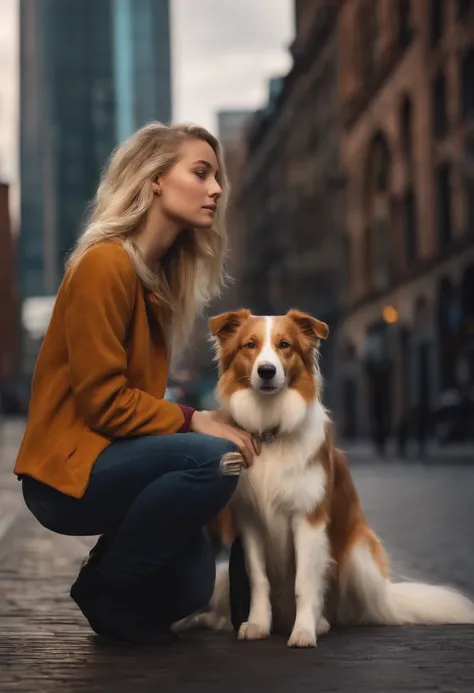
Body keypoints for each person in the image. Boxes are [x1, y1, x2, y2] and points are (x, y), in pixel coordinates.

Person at [14, 122, 259, 645]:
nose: (216, 188)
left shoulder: (153, 281)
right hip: (65, 479)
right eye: (200, 173)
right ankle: (107, 586)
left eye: (217, 177)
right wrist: (198, 421)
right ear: (153, 180)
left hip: (111, 459)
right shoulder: (105, 265)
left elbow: (138, 407)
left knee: (191, 590)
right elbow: (105, 404)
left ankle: (110, 582)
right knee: (213, 459)